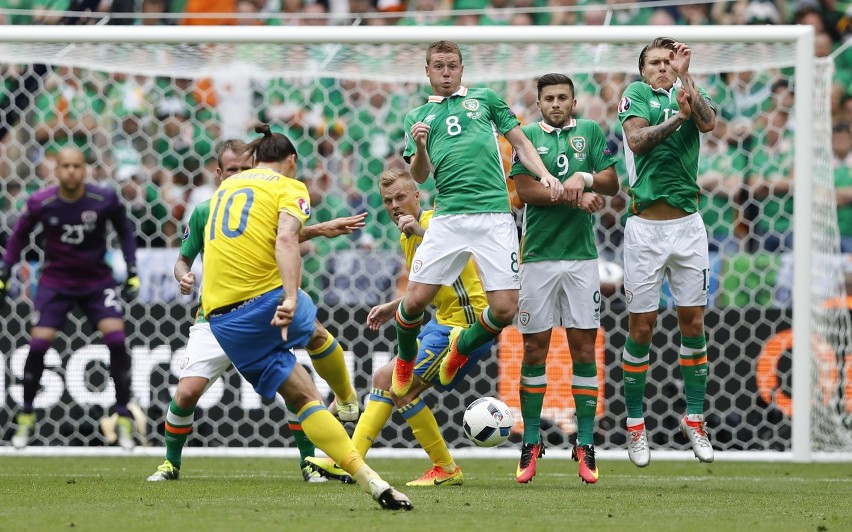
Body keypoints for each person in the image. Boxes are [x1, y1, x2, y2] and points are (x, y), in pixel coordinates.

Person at [200, 125, 411, 510]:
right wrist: (292, 295)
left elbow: (255, 234)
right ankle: (348, 400)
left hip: (221, 318)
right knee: (314, 333)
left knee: (304, 398)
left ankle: (371, 480)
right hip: (265, 300)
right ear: (292, 161)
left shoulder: (226, 189)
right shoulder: (289, 186)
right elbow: (281, 239)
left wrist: (316, 230)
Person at [147, 139, 366, 483]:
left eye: (244, 169)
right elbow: (182, 259)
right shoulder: (207, 209)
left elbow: (278, 235)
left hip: (261, 306)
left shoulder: (262, 198)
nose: (239, 175)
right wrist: (184, 276)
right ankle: (170, 463)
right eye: (231, 170)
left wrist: (320, 230)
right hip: (215, 316)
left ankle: (311, 463)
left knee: (297, 389)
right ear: (219, 173)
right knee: (187, 393)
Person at [392, 40, 572, 398]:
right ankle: (404, 361)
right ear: (427, 71)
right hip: (448, 217)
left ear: (461, 69)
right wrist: (423, 147)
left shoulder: (485, 99)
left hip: (493, 216)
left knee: (504, 310)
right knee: (412, 303)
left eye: (452, 66)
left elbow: (519, 142)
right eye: (439, 66)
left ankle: (461, 348)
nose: (446, 72)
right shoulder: (417, 117)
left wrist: (544, 175)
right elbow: (421, 176)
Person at [307, 168, 491, 487]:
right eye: (388, 200)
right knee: (385, 379)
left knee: (398, 387)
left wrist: (419, 230)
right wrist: (394, 305)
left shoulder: (434, 224)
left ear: (417, 196)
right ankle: (359, 461)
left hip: (465, 327)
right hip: (442, 322)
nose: (394, 205)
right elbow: (426, 284)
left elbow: (459, 248)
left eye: (401, 197)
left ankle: (434, 467)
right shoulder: (407, 235)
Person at [509, 73, 619, 485]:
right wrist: (572, 194)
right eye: (549, 98)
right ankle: (532, 441)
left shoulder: (589, 131)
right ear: (539, 103)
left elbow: (611, 182)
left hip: (580, 260)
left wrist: (586, 178)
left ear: (573, 102)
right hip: (536, 257)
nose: (556, 103)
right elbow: (524, 192)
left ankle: (585, 442)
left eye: (563, 98)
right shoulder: (527, 137)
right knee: (535, 348)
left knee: (583, 347)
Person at [617, 37, 716, 466]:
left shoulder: (688, 92)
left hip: (689, 226)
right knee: (642, 328)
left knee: (693, 323)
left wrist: (688, 78)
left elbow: (709, 122)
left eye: (668, 61)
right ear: (643, 70)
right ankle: (635, 425)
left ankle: (694, 418)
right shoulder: (636, 95)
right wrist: (678, 117)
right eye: (655, 62)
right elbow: (637, 141)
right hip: (646, 230)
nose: (662, 67)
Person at [1, 147, 141, 450]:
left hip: (96, 280)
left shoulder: (104, 199)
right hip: (56, 281)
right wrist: (5, 269)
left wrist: (131, 269)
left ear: (85, 168)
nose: (71, 172)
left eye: (77, 166)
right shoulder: (42, 202)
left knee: (117, 340)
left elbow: (125, 231)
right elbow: (18, 237)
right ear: (57, 169)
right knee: (38, 344)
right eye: (65, 166)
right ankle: (26, 415)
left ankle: (123, 417)